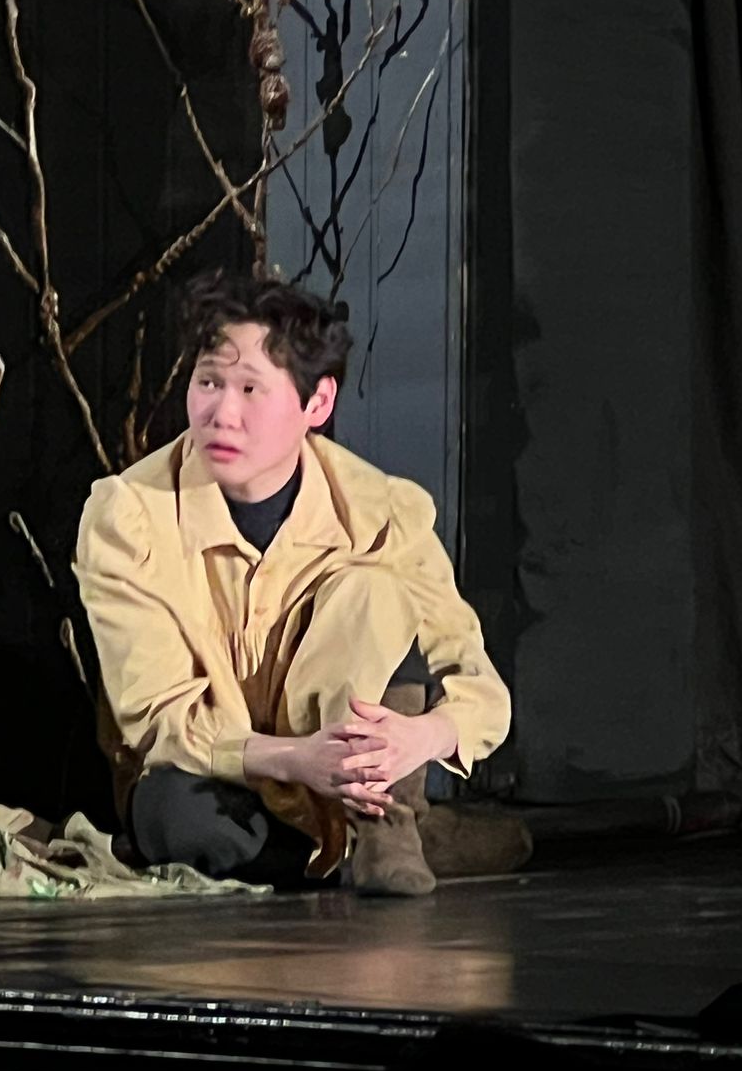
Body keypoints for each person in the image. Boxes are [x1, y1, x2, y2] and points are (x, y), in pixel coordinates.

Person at [75, 270, 516, 895]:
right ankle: (377, 841)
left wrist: (420, 737)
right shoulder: (128, 517)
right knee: (175, 817)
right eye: (209, 382)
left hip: (350, 773)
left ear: (318, 404)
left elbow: (478, 686)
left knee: (377, 592)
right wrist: (297, 759)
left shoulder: (382, 512)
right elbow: (157, 718)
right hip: (219, 772)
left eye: (251, 389)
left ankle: (382, 821)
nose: (222, 413)